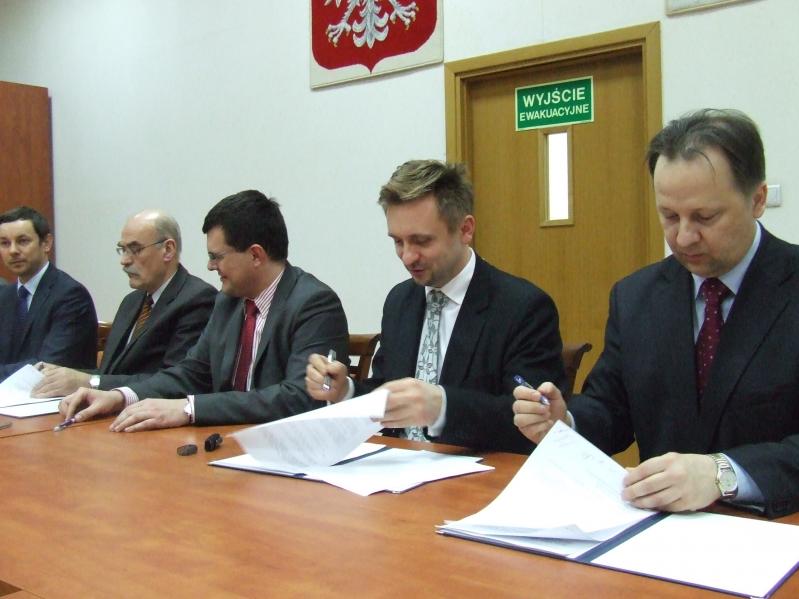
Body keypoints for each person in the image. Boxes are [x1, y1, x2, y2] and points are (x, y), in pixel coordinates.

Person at [513, 108, 799, 518]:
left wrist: (723, 473)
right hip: (657, 531)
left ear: (757, 200)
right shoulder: (637, 297)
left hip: (777, 529)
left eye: (705, 217)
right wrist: (565, 422)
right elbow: (610, 409)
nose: (683, 237)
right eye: (669, 216)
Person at [307, 160, 565, 453]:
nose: (407, 257)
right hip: (397, 468)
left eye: (421, 241)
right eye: (398, 242)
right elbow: (387, 392)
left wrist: (442, 409)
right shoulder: (400, 301)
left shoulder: (522, 308)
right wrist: (346, 391)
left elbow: (532, 422)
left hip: (480, 473)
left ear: (465, 230)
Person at [59, 190, 349, 431]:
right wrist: (121, 396)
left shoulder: (313, 303)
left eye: (216, 257)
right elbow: (191, 372)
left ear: (255, 255)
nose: (210, 266)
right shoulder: (228, 302)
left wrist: (189, 409)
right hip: (224, 441)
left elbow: (299, 397)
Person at [32, 210, 216, 397]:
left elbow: (176, 380)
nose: (124, 260)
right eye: (123, 249)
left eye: (135, 249)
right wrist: (61, 376)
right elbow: (109, 374)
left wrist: (90, 381)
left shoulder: (197, 299)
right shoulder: (132, 301)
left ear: (168, 250)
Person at [0, 206, 97, 381]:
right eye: (5, 243)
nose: (13, 250)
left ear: (46, 243)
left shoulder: (71, 296)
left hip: (56, 395)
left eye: (22, 241)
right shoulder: (4, 296)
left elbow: (47, 366)